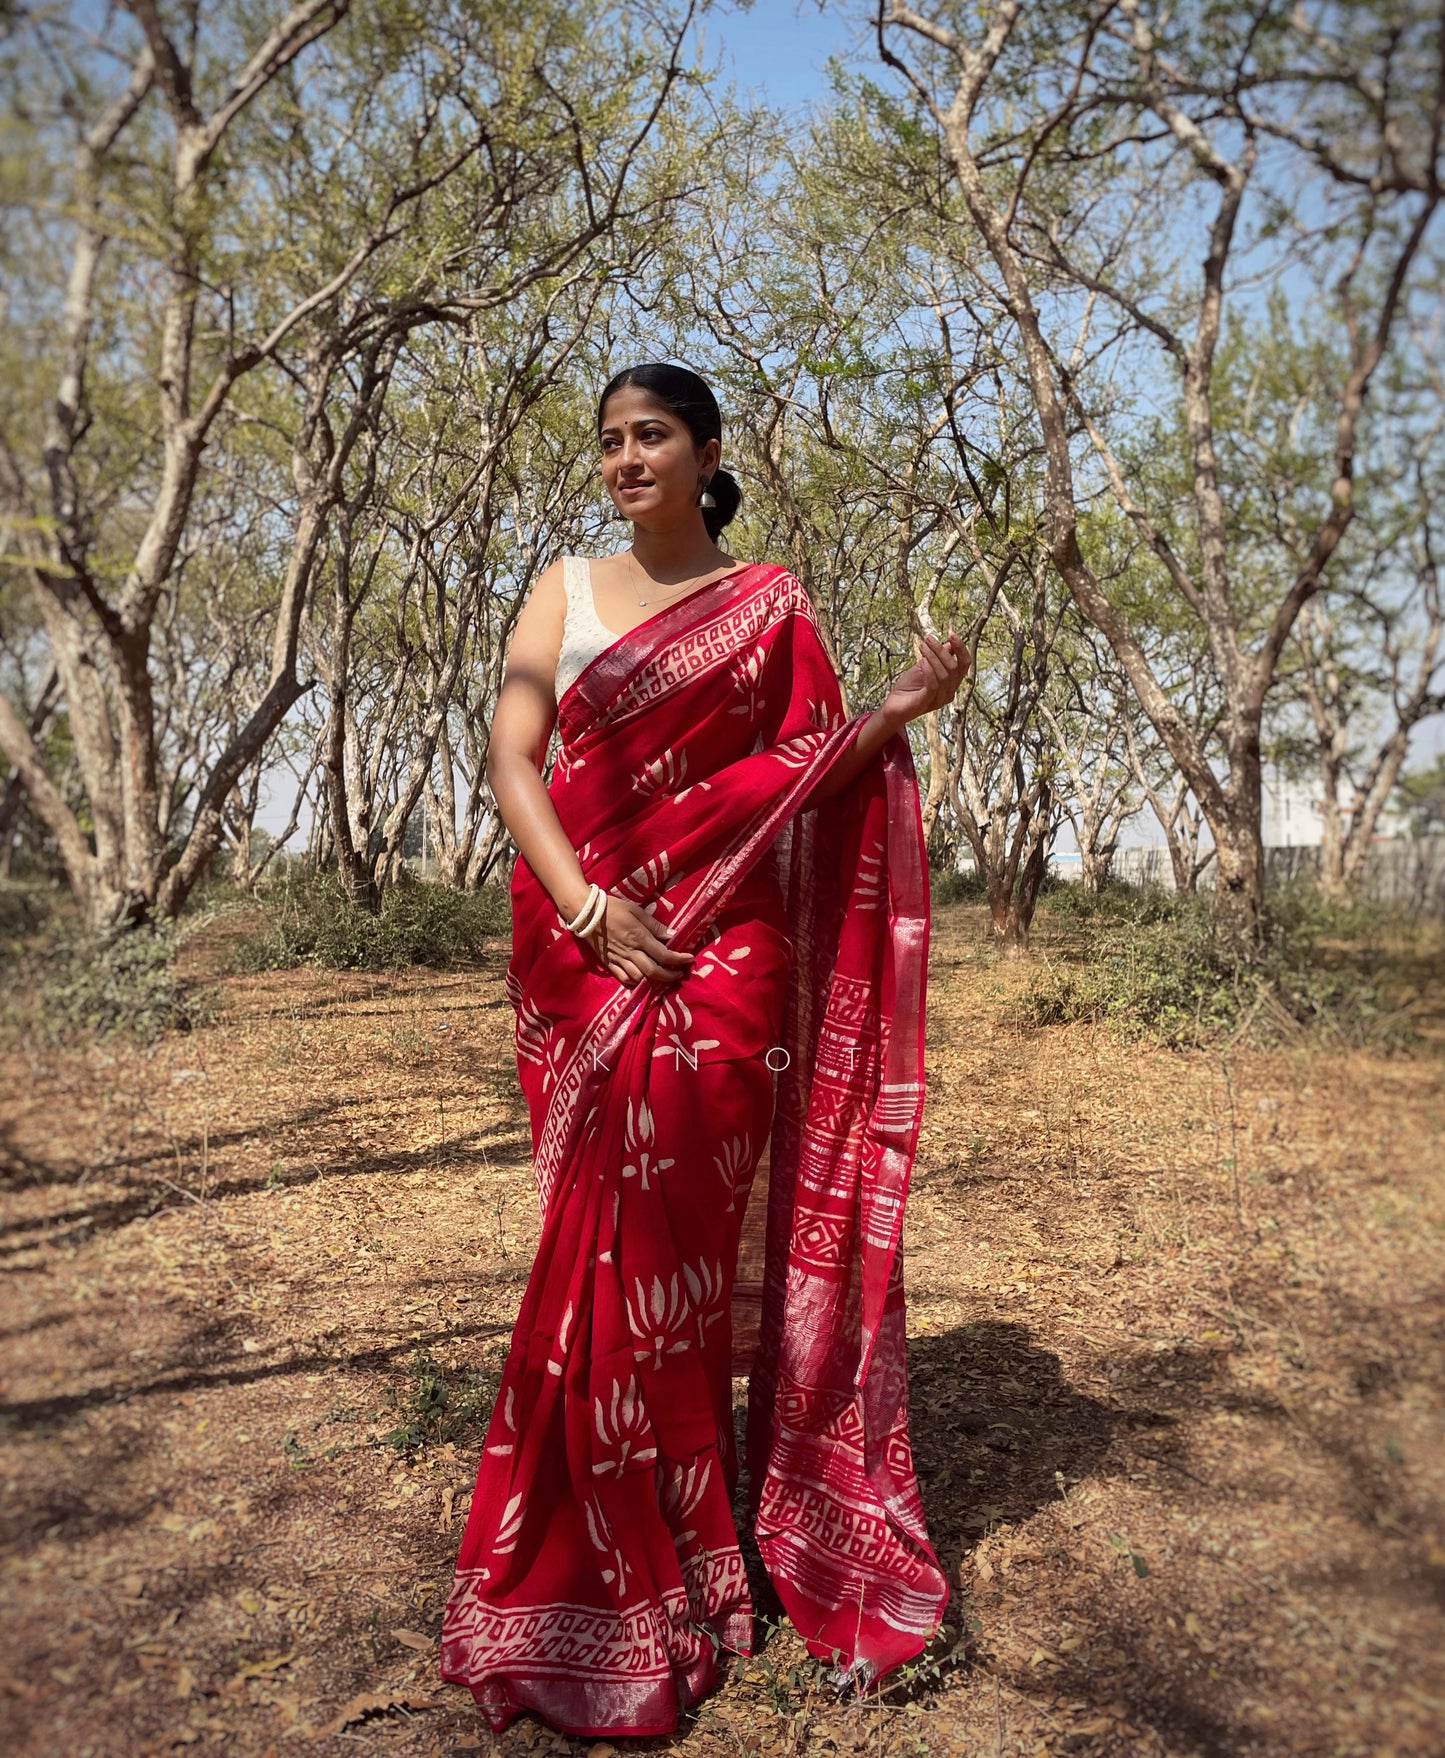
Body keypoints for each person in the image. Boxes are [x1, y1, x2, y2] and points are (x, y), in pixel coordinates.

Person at [440, 362, 968, 1738]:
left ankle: (703, 1543)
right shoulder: (560, 589)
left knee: (672, 1266)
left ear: (707, 450)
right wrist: (588, 907)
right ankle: (603, 1559)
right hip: (589, 954)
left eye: (651, 435)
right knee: (595, 1261)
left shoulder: (768, 605)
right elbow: (513, 763)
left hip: (720, 973)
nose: (626, 458)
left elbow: (799, 769)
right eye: (609, 440)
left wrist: (900, 707)